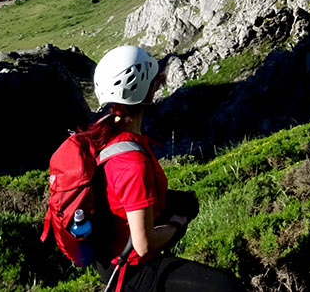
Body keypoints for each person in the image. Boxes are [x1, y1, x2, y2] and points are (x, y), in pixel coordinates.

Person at [79, 45, 240, 292]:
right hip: (130, 270)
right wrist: (177, 223)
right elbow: (143, 244)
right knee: (226, 287)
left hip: (108, 253)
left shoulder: (108, 133)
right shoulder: (133, 163)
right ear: (147, 90)